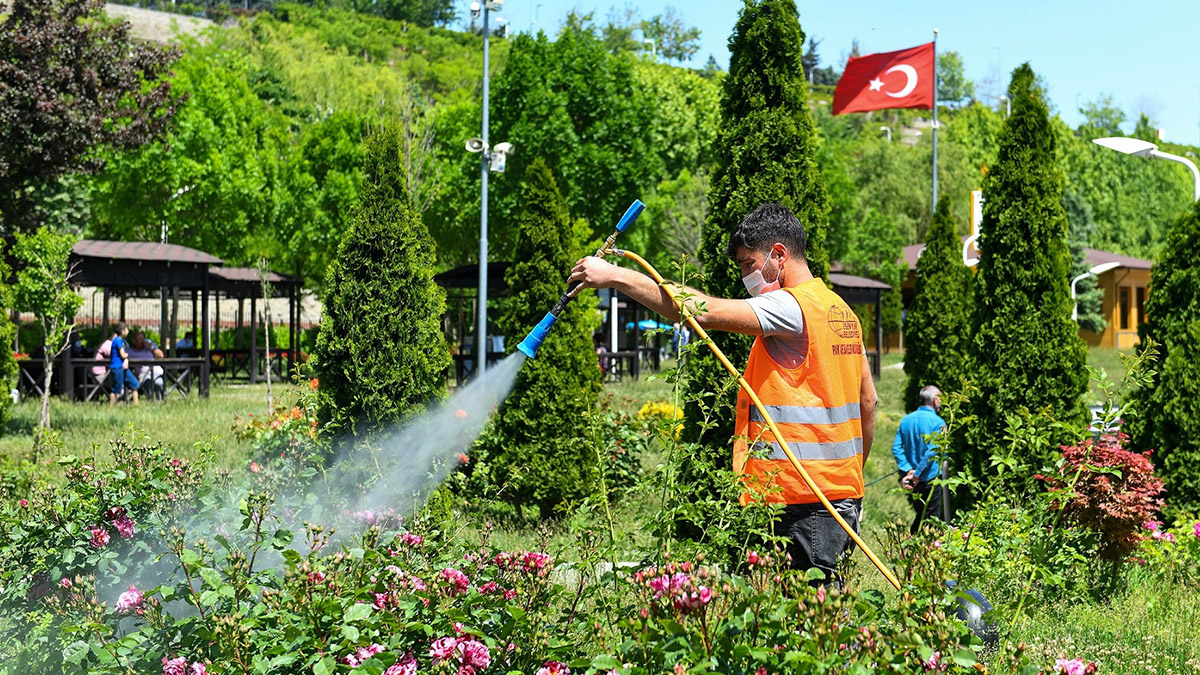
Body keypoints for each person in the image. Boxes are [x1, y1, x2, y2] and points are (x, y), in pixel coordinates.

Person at [568, 202, 877, 586]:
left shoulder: (791, 306)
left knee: (810, 617)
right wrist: (850, 480)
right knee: (826, 611)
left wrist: (615, 276)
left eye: (749, 264)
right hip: (840, 496)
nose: (745, 276)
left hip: (804, 501)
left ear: (779, 255)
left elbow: (702, 311)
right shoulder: (841, 312)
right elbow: (868, 402)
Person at [891, 385, 948, 533]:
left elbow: (896, 448)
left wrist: (908, 470)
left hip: (911, 480)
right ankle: (919, 544)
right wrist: (917, 474)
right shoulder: (939, 423)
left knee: (921, 514)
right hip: (930, 477)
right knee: (932, 519)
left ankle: (911, 542)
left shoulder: (906, 420)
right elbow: (932, 452)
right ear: (935, 401)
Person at [128, 331, 165, 400]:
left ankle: (160, 401)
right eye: (140, 339)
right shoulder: (129, 351)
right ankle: (150, 400)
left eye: (143, 339)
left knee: (159, 383)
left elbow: (161, 355)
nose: (142, 341)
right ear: (134, 341)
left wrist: (151, 348)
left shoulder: (149, 345)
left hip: (156, 372)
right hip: (143, 375)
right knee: (148, 383)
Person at [108, 322, 139, 405]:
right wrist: (127, 355)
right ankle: (110, 406)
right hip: (117, 367)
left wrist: (126, 359)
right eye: (127, 329)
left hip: (123, 367)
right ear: (122, 331)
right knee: (116, 389)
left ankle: (136, 405)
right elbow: (122, 354)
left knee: (135, 384)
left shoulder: (122, 341)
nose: (128, 331)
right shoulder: (117, 340)